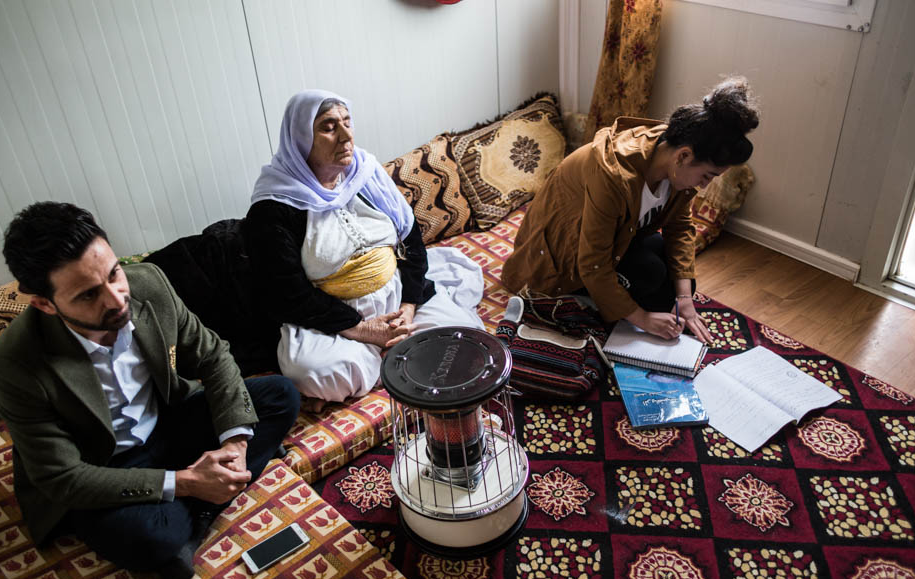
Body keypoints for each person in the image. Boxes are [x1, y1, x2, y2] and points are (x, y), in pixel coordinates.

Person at [0, 202, 301, 579]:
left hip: (168, 421)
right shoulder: (14, 364)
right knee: (149, 539)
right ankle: (194, 513)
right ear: (44, 303)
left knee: (281, 395)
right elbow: (63, 477)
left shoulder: (149, 282)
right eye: (88, 295)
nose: (117, 299)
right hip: (102, 464)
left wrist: (234, 444)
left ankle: (197, 517)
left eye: (114, 273)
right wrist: (185, 481)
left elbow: (213, 355)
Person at [242, 89, 484, 405]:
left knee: (468, 335)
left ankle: (386, 363)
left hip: (395, 297)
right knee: (315, 371)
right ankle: (398, 361)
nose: (345, 136)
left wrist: (409, 307)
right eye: (329, 127)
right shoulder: (273, 208)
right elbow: (286, 293)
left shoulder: (364, 172)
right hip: (334, 320)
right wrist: (364, 330)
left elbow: (410, 238)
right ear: (301, 139)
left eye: (347, 122)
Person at [501, 77, 759, 344]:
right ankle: (595, 304)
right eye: (706, 176)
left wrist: (684, 300)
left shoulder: (671, 152)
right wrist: (642, 319)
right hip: (561, 256)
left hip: (618, 238)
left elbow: (680, 229)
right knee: (651, 275)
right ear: (683, 156)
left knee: (680, 283)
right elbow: (592, 264)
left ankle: (640, 303)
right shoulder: (613, 175)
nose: (704, 186)